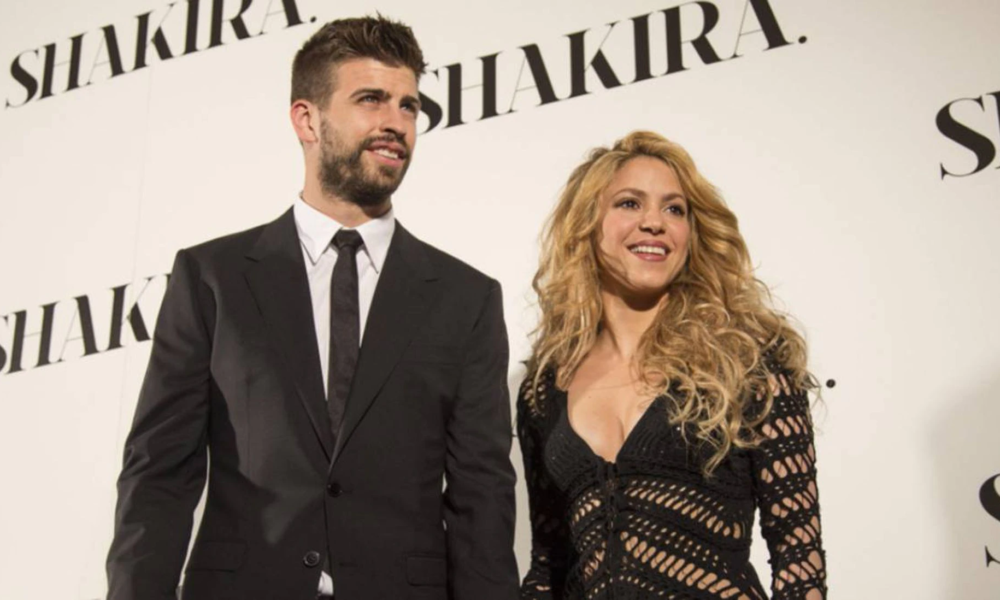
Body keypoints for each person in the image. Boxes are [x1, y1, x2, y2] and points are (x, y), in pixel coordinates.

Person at [106, 16, 518, 600]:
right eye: (370, 99)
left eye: (408, 105)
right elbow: (159, 472)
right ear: (306, 119)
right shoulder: (213, 277)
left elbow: (483, 496)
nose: (395, 122)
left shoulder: (466, 298)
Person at [517, 131, 826, 600]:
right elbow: (549, 566)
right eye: (629, 203)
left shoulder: (749, 360)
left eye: (674, 209)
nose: (654, 223)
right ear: (586, 224)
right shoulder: (543, 389)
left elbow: (799, 560)